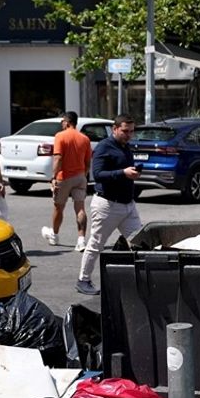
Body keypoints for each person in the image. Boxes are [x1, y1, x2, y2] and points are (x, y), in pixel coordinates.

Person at [75, 115, 142, 295]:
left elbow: (125, 172)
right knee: (96, 244)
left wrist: (132, 174)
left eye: (131, 131)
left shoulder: (126, 147)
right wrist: (123, 172)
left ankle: (141, 280)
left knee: (141, 242)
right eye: (125, 131)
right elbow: (97, 174)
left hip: (128, 206)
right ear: (115, 129)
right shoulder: (105, 146)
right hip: (107, 205)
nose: (129, 135)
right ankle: (83, 280)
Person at [41, 111, 92, 251]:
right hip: (80, 176)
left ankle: (54, 235)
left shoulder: (60, 136)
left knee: (58, 207)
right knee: (80, 208)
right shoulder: (85, 139)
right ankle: (81, 240)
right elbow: (88, 162)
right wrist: (84, 175)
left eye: (62, 121)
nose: (61, 124)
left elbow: (58, 158)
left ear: (67, 122)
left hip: (63, 177)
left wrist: (53, 177)